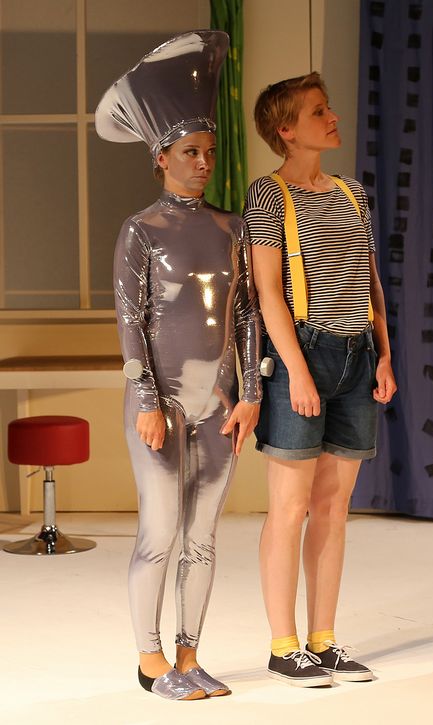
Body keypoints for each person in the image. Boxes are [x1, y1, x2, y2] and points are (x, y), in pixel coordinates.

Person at [96, 31, 262, 700]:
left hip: (218, 406)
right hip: (160, 406)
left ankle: (190, 655)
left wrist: (250, 394)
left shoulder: (232, 228)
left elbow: (246, 314)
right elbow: (130, 322)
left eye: (210, 152)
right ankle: (150, 659)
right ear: (160, 157)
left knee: (203, 537)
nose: (203, 163)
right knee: (159, 533)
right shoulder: (140, 231)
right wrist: (146, 401)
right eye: (191, 152)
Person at [243, 72, 396, 687]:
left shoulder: (353, 193)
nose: (332, 118)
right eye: (317, 112)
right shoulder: (268, 194)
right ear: (286, 130)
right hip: (300, 355)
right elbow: (268, 294)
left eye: (328, 109)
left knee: (334, 506)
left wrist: (384, 354)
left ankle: (323, 639)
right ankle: (284, 646)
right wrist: (298, 373)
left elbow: (369, 281)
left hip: (356, 354)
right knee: (290, 506)